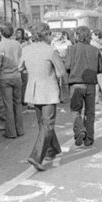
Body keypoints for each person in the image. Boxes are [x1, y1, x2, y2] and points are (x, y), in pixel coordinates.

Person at [19, 23, 65, 171]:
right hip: (49, 91)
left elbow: (20, 67)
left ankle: (52, 149)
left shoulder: (26, 49)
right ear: (45, 34)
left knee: (42, 123)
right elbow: (61, 72)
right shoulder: (51, 51)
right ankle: (36, 156)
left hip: (33, 91)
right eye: (49, 34)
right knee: (48, 123)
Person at [65, 26, 102, 146]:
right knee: (90, 112)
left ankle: (80, 129)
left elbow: (67, 66)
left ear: (77, 36)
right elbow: (100, 69)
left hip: (76, 84)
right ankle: (89, 138)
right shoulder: (95, 50)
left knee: (75, 110)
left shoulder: (72, 49)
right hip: (91, 84)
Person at [0, 22, 24, 139]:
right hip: (17, 76)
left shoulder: (0, 45)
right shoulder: (17, 44)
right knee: (17, 104)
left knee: (8, 105)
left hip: (5, 77)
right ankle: (20, 129)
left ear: (1, 32)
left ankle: (11, 132)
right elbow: (21, 59)